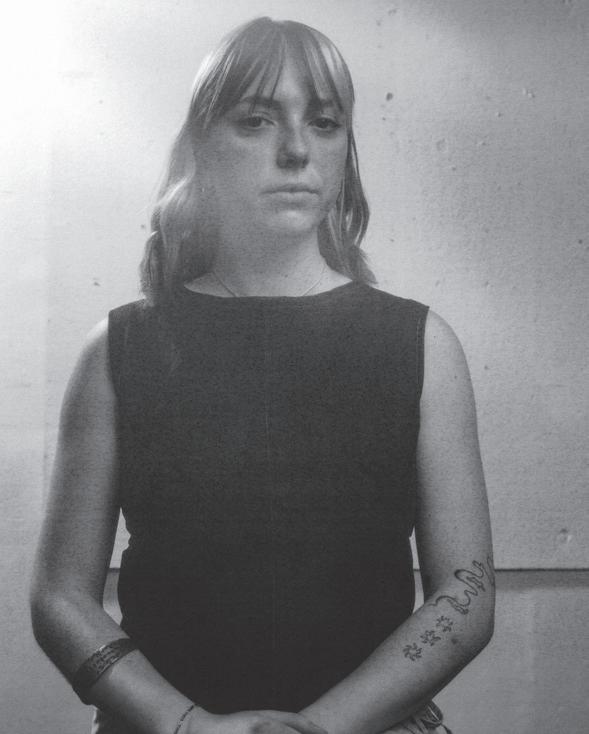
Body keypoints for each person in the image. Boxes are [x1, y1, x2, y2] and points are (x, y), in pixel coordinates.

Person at [30, 17, 494, 734]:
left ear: (345, 151)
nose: (296, 150)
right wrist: (189, 725)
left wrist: (320, 727)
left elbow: (465, 595)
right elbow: (60, 596)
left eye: (324, 122)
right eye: (256, 120)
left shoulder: (422, 343)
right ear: (201, 146)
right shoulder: (119, 348)